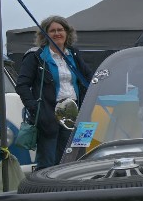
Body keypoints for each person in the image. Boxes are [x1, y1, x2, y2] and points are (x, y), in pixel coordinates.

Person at [15, 15, 91, 169]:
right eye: (52, 31)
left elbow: (89, 79)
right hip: (49, 115)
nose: (57, 33)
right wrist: (35, 109)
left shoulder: (74, 54)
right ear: (45, 35)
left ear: (67, 33)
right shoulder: (36, 56)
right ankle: (46, 192)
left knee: (76, 160)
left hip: (77, 113)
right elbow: (22, 85)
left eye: (61, 30)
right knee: (48, 163)